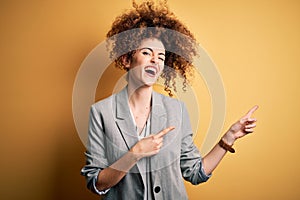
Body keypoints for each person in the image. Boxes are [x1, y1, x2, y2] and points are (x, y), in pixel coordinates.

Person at [81, 1, 258, 199]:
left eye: (161, 56)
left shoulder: (177, 110)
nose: (155, 60)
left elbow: (195, 172)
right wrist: (134, 154)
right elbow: (96, 182)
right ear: (126, 59)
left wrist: (229, 138)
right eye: (147, 52)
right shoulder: (101, 113)